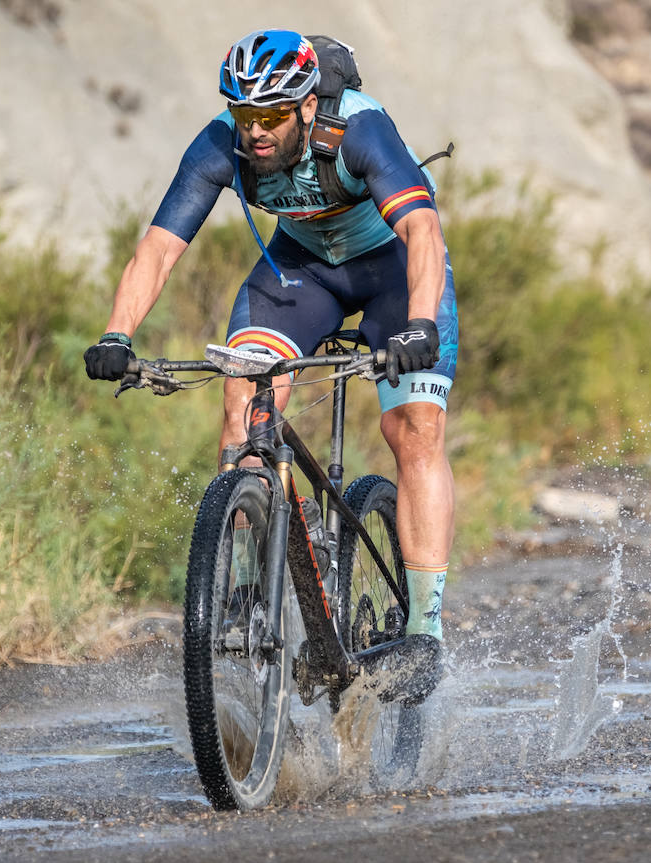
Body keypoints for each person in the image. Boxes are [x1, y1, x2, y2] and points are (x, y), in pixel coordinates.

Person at [84, 29, 458, 680]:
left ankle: (425, 628)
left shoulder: (359, 132)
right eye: (243, 113)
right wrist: (116, 335)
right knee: (243, 404)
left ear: (308, 107)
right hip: (300, 272)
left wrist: (420, 326)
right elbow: (160, 247)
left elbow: (420, 228)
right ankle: (250, 591)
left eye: (271, 116)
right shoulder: (221, 145)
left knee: (413, 426)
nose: (254, 132)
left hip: (395, 271)